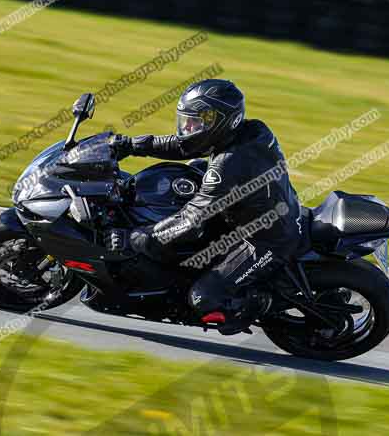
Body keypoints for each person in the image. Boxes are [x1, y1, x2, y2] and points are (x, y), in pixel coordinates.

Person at [104, 78, 307, 335]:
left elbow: (192, 220)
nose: (187, 128)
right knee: (190, 175)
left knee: (203, 298)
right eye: (186, 121)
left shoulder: (227, 165)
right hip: (253, 212)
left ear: (220, 121)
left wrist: (138, 238)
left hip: (266, 240)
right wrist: (134, 145)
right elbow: (184, 145)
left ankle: (259, 305)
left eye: (196, 122)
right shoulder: (251, 130)